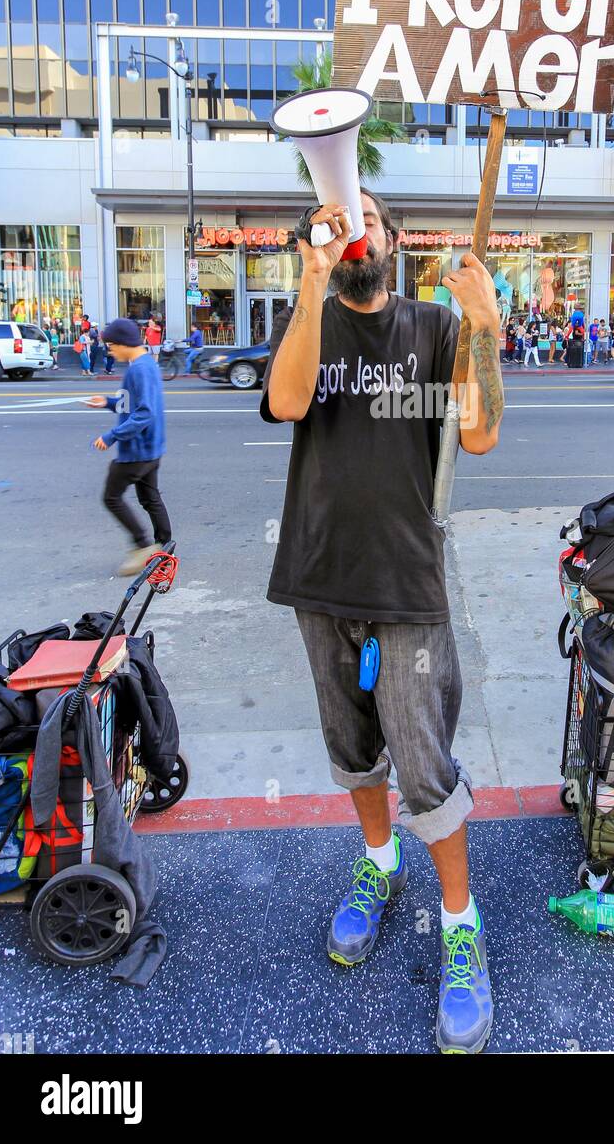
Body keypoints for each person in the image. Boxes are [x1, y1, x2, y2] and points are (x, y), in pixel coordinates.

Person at [260, 187, 503, 1054]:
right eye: (336, 218)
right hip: (321, 578)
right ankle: (378, 862)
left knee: (424, 763)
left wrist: (484, 327)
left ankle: (460, 924)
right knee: (352, 748)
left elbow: (476, 433)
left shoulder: (433, 329)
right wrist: (310, 281)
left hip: (406, 585)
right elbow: (288, 403)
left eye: (364, 215)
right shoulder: (312, 322)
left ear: (393, 242)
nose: (351, 229)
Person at [86, 317, 170, 577]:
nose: (110, 350)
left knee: (111, 497)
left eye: (111, 345)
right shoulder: (144, 364)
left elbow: (144, 413)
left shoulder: (139, 369)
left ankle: (143, 546)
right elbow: (133, 404)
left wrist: (112, 436)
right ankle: (164, 548)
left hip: (137, 449)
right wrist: (109, 402)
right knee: (150, 497)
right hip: (150, 448)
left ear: (123, 343)